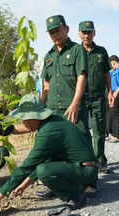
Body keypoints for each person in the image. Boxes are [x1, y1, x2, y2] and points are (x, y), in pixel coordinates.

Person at [0, 94, 99, 216]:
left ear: (34, 117)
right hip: (78, 167)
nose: (24, 123)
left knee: (43, 171)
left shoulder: (48, 131)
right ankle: (67, 187)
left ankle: (76, 195)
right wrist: (25, 184)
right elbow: (44, 158)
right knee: (43, 167)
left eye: (25, 119)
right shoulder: (51, 122)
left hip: (86, 171)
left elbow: (27, 166)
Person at [40, 15, 91, 146]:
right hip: (53, 110)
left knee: (81, 142)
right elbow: (46, 83)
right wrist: (40, 106)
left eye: (58, 30)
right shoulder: (48, 55)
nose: (55, 35)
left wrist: (75, 103)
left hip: (72, 108)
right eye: (51, 32)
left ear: (66, 29)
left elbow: (81, 77)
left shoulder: (77, 50)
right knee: (57, 145)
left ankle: (93, 165)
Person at [77, 20, 114, 173]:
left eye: (89, 32)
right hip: (82, 97)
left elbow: (106, 73)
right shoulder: (75, 51)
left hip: (99, 96)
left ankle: (100, 160)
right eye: (84, 32)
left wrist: (110, 91)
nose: (87, 35)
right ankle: (87, 160)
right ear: (79, 34)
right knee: (83, 129)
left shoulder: (101, 51)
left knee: (99, 129)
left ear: (94, 33)